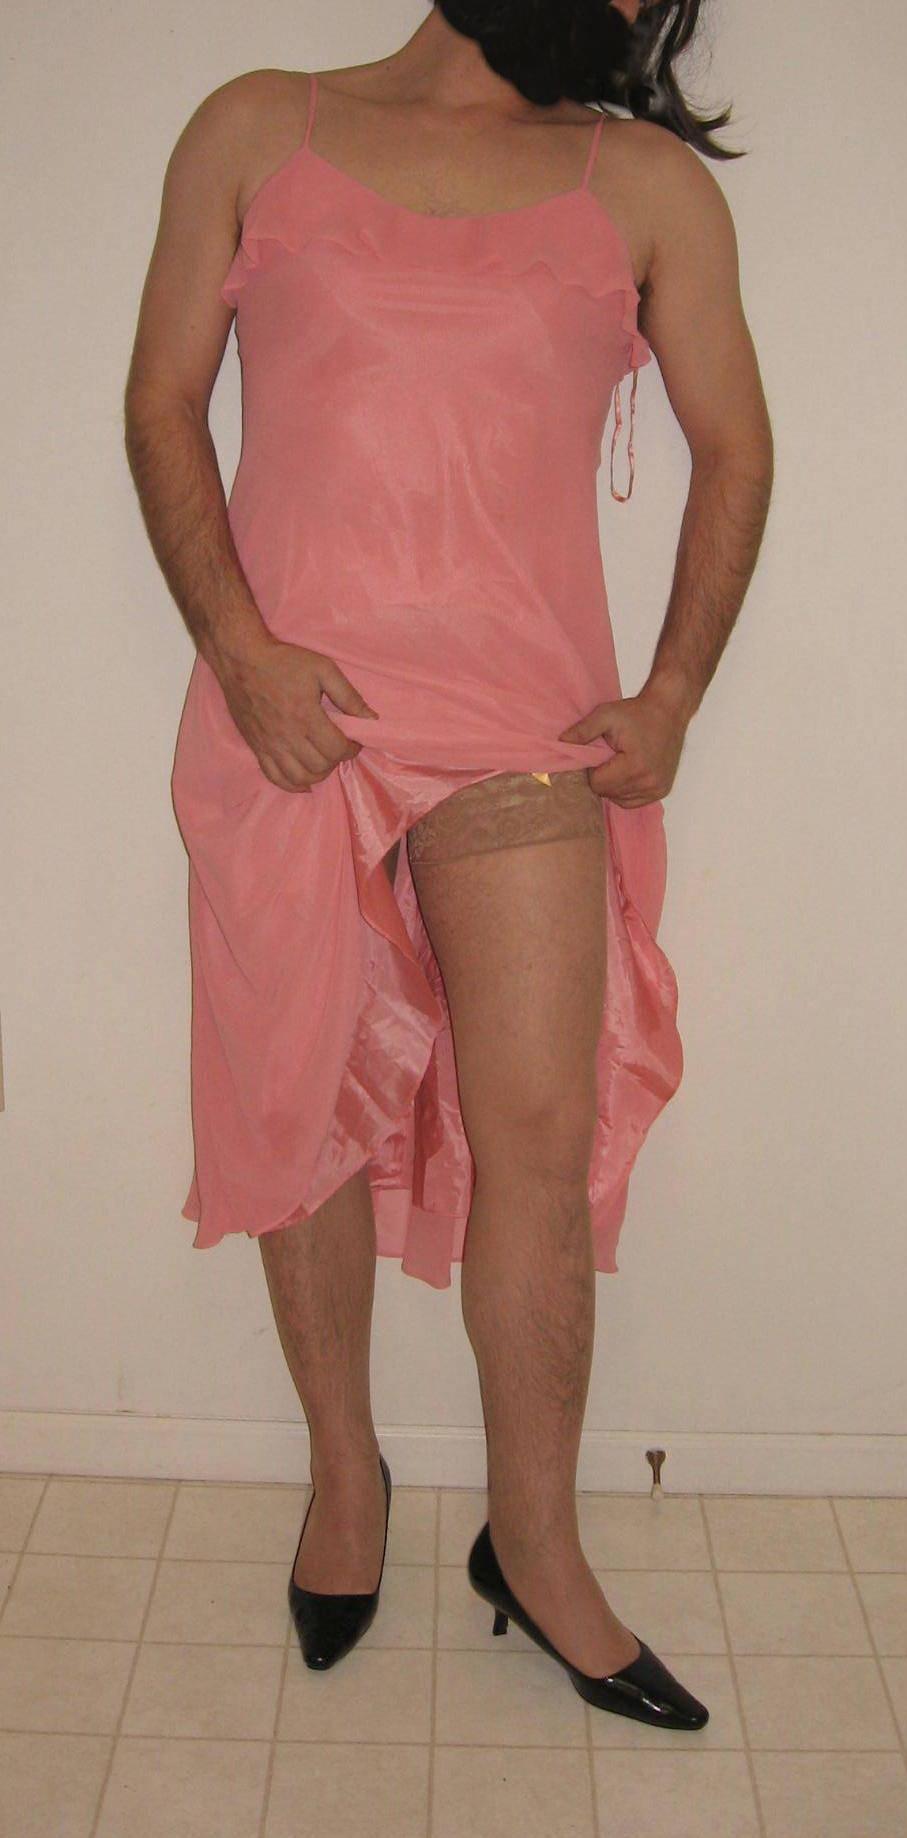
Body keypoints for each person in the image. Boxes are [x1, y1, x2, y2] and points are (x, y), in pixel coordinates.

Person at [123, 0, 773, 1729]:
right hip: (295, 714)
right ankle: (347, 1480)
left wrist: (675, 693)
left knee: (538, 1142)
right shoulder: (258, 126)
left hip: (519, 724)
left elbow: (737, 445)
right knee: (302, 1114)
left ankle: (537, 1544)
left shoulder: (644, 187)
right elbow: (163, 403)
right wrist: (241, 652)